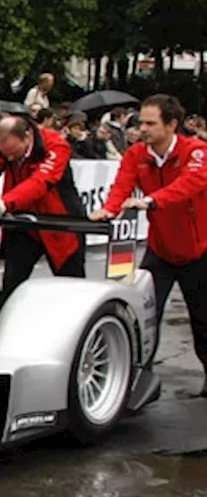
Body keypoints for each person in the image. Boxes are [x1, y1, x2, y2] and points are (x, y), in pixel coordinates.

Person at [91, 94, 207, 396]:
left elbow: (190, 184)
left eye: (150, 123)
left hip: (199, 251)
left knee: (203, 322)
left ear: (171, 125)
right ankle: (139, 383)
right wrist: (110, 209)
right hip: (160, 249)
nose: (142, 128)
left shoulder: (196, 151)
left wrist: (152, 201)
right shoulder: (136, 154)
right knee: (143, 317)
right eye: (141, 122)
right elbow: (122, 184)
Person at [0, 115, 85, 297]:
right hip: (23, 221)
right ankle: (3, 317)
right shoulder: (1, 147)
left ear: (27, 136)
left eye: (14, 153)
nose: (10, 158)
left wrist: (5, 202)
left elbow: (41, 181)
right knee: (12, 283)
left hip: (60, 221)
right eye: (7, 155)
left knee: (72, 286)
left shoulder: (55, 145)